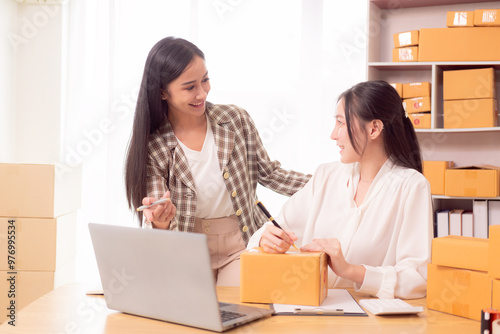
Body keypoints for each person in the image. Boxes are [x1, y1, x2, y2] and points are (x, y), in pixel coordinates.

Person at [124, 36, 311, 286]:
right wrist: (160, 219)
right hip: (188, 249)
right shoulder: (154, 146)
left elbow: (270, 173)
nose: (202, 93)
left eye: (205, 80)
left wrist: (326, 183)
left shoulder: (235, 119)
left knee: (238, 312)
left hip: (241, 244)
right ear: (162, 92)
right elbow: (159, 213)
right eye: (190, 87)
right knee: (193, 320)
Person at [247, 80, 433, 299]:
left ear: (374, 128)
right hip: (311, 308)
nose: (333, 135)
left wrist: (351, 270)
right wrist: (265, 239)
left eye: (340, 123)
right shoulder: (325, 176)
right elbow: (275, 228)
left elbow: (417, 279)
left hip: (371, 319)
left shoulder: (411, 186)